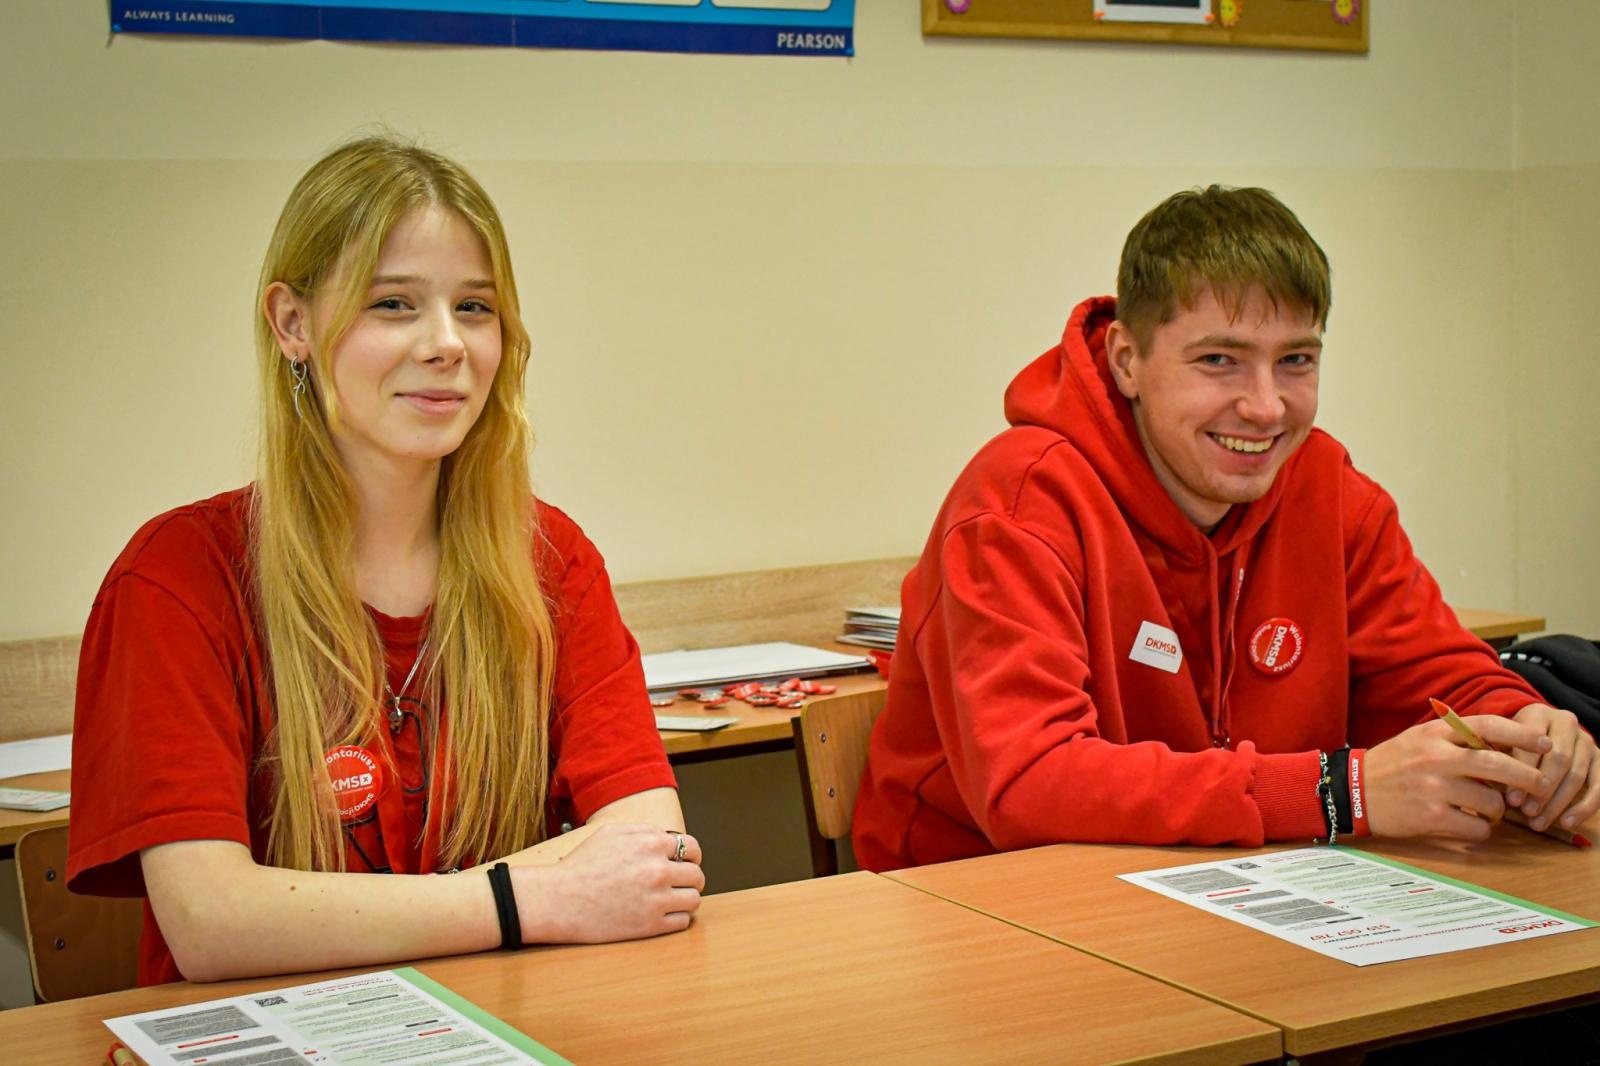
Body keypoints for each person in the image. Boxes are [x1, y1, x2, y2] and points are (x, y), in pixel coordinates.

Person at [67, 135, 704, 984]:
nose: (447, 344)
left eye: (475, 308)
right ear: (292, 323)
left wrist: (318, 914)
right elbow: (214, 923)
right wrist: (531, 898)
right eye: (394, 304)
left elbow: (651, 852)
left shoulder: (549, 559)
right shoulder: (175, 578)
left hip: (504, 1023)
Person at [853, 185, 1600, 871]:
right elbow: (1029, 780)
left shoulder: (1330, 490)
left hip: (1233, 883)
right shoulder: (1019, 501)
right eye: (1220, 361)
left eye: (1296, 361)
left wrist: (1527, 729)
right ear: (1126, 361)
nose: (1267, 407)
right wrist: (1343, 792)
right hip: (984, 904)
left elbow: (1439, 679)